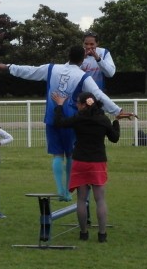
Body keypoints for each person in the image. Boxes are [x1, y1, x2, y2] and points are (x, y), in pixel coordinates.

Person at [0, 46, 135, 201]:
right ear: (82, 60)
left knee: (57, 155)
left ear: (68, 55)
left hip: (52, 118)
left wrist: (8, 67)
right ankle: (68, 190)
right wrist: (116, 110)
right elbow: (98, 95)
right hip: (71, 121)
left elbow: (29, 71)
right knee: (71, 154)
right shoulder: (83, 76)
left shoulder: (51, 68)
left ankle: (60, 190)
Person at [51, 90, 129, 242]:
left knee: (81, 199)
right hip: (98, 161)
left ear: (82, 105)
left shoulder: (78, 118)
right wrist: (116, 121)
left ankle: (83, 233)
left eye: (77, 104)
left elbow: (59, 123)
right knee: (100, 199)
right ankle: (102, 234)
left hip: (80, 160)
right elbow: (114, 138)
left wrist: (60, 105)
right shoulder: (103, 119)